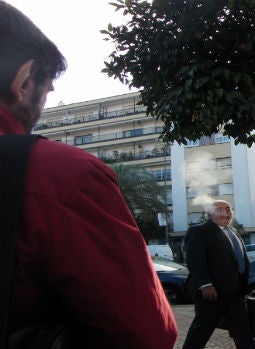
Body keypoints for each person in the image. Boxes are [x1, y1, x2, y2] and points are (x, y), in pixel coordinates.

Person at [0, 2, 177, 347]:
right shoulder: (60, 176)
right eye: (47, 86)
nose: (46, 100)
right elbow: (145, 334)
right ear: (23, 79)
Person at [183, 200, 255, 349]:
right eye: (220, 209)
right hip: (213, 293)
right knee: (201, 331)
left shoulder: (233, 231)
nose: (225, 212)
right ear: (210, 213)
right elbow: (195, 260)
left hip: (236, 293)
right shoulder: (199, 231)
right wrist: (205, 284)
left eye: (228, 209)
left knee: (243, 331)